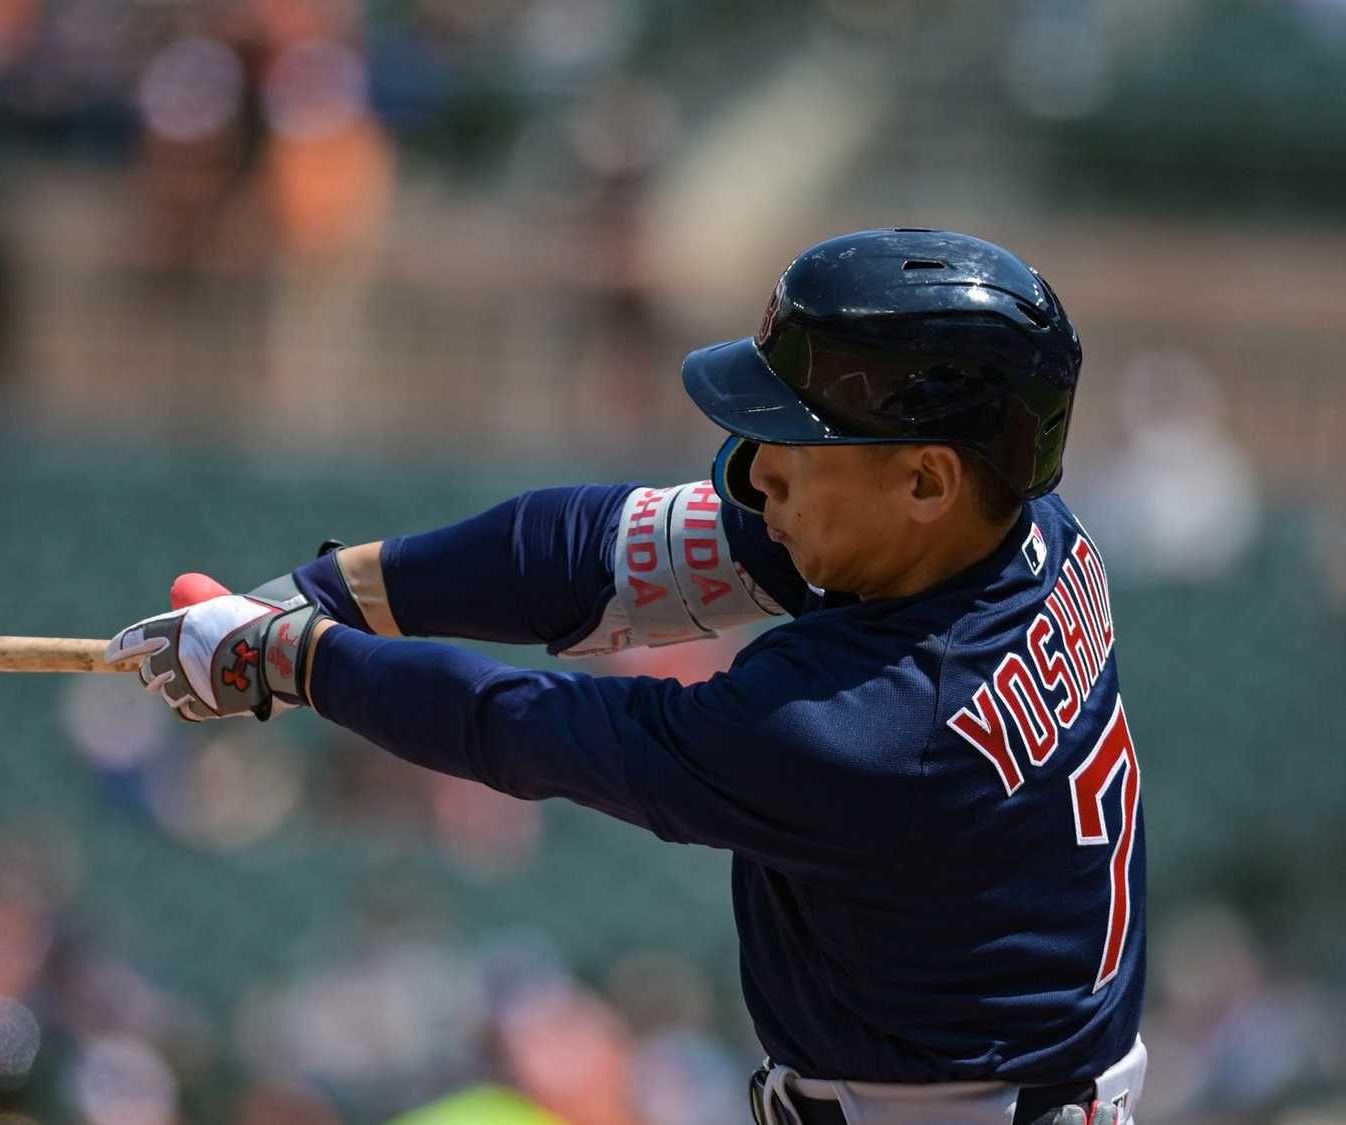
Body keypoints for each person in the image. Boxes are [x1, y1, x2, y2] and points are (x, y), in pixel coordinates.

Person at [107, 229, 1145, 1124]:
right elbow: (587, 553)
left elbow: (518, 727)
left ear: (924, 478)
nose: (757, 468)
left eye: (802, 439)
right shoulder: (1007, 530)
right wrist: (317, 593)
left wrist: (292, 658)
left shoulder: (865, 727)